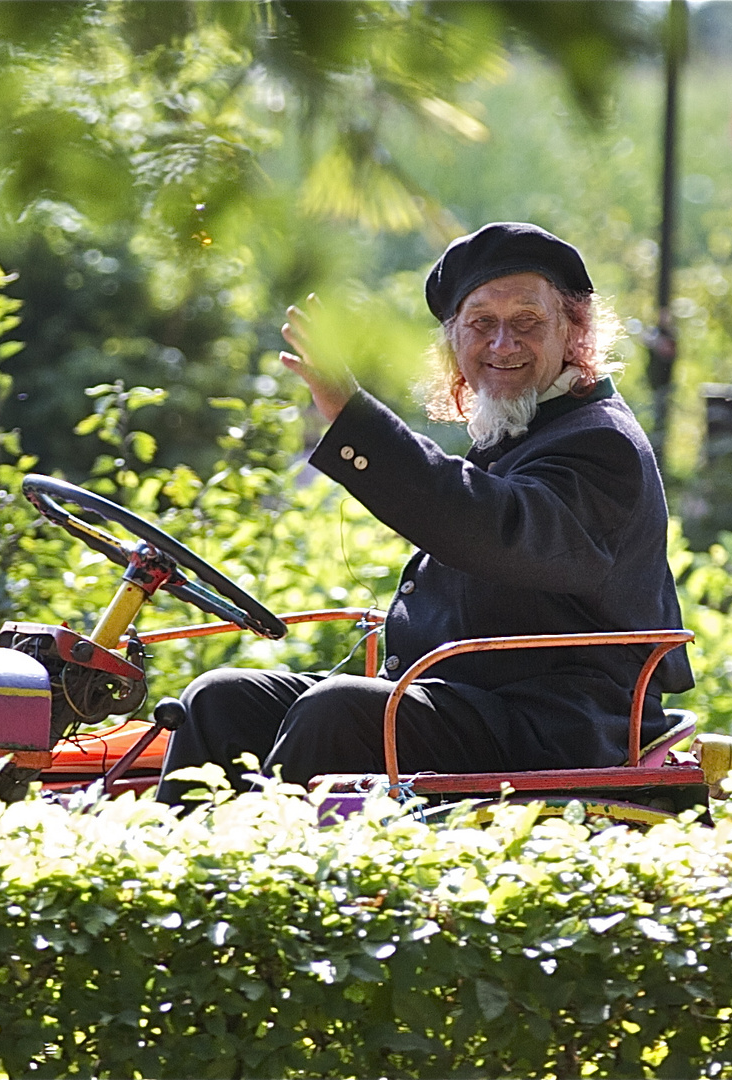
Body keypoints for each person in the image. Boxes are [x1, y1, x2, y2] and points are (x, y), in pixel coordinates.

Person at [158, 222, 694, 804]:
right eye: (481, 324)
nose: (502, 344)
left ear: (574, 333)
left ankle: (263, 875)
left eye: (527, 322)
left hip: (554, 728)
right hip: (465, 703)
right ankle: (183, 881)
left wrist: (355, 419)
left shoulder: (599, 441)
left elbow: (495, 526)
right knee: (219, 699)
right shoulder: (522, 427)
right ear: (454, 344)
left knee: (338, 712)